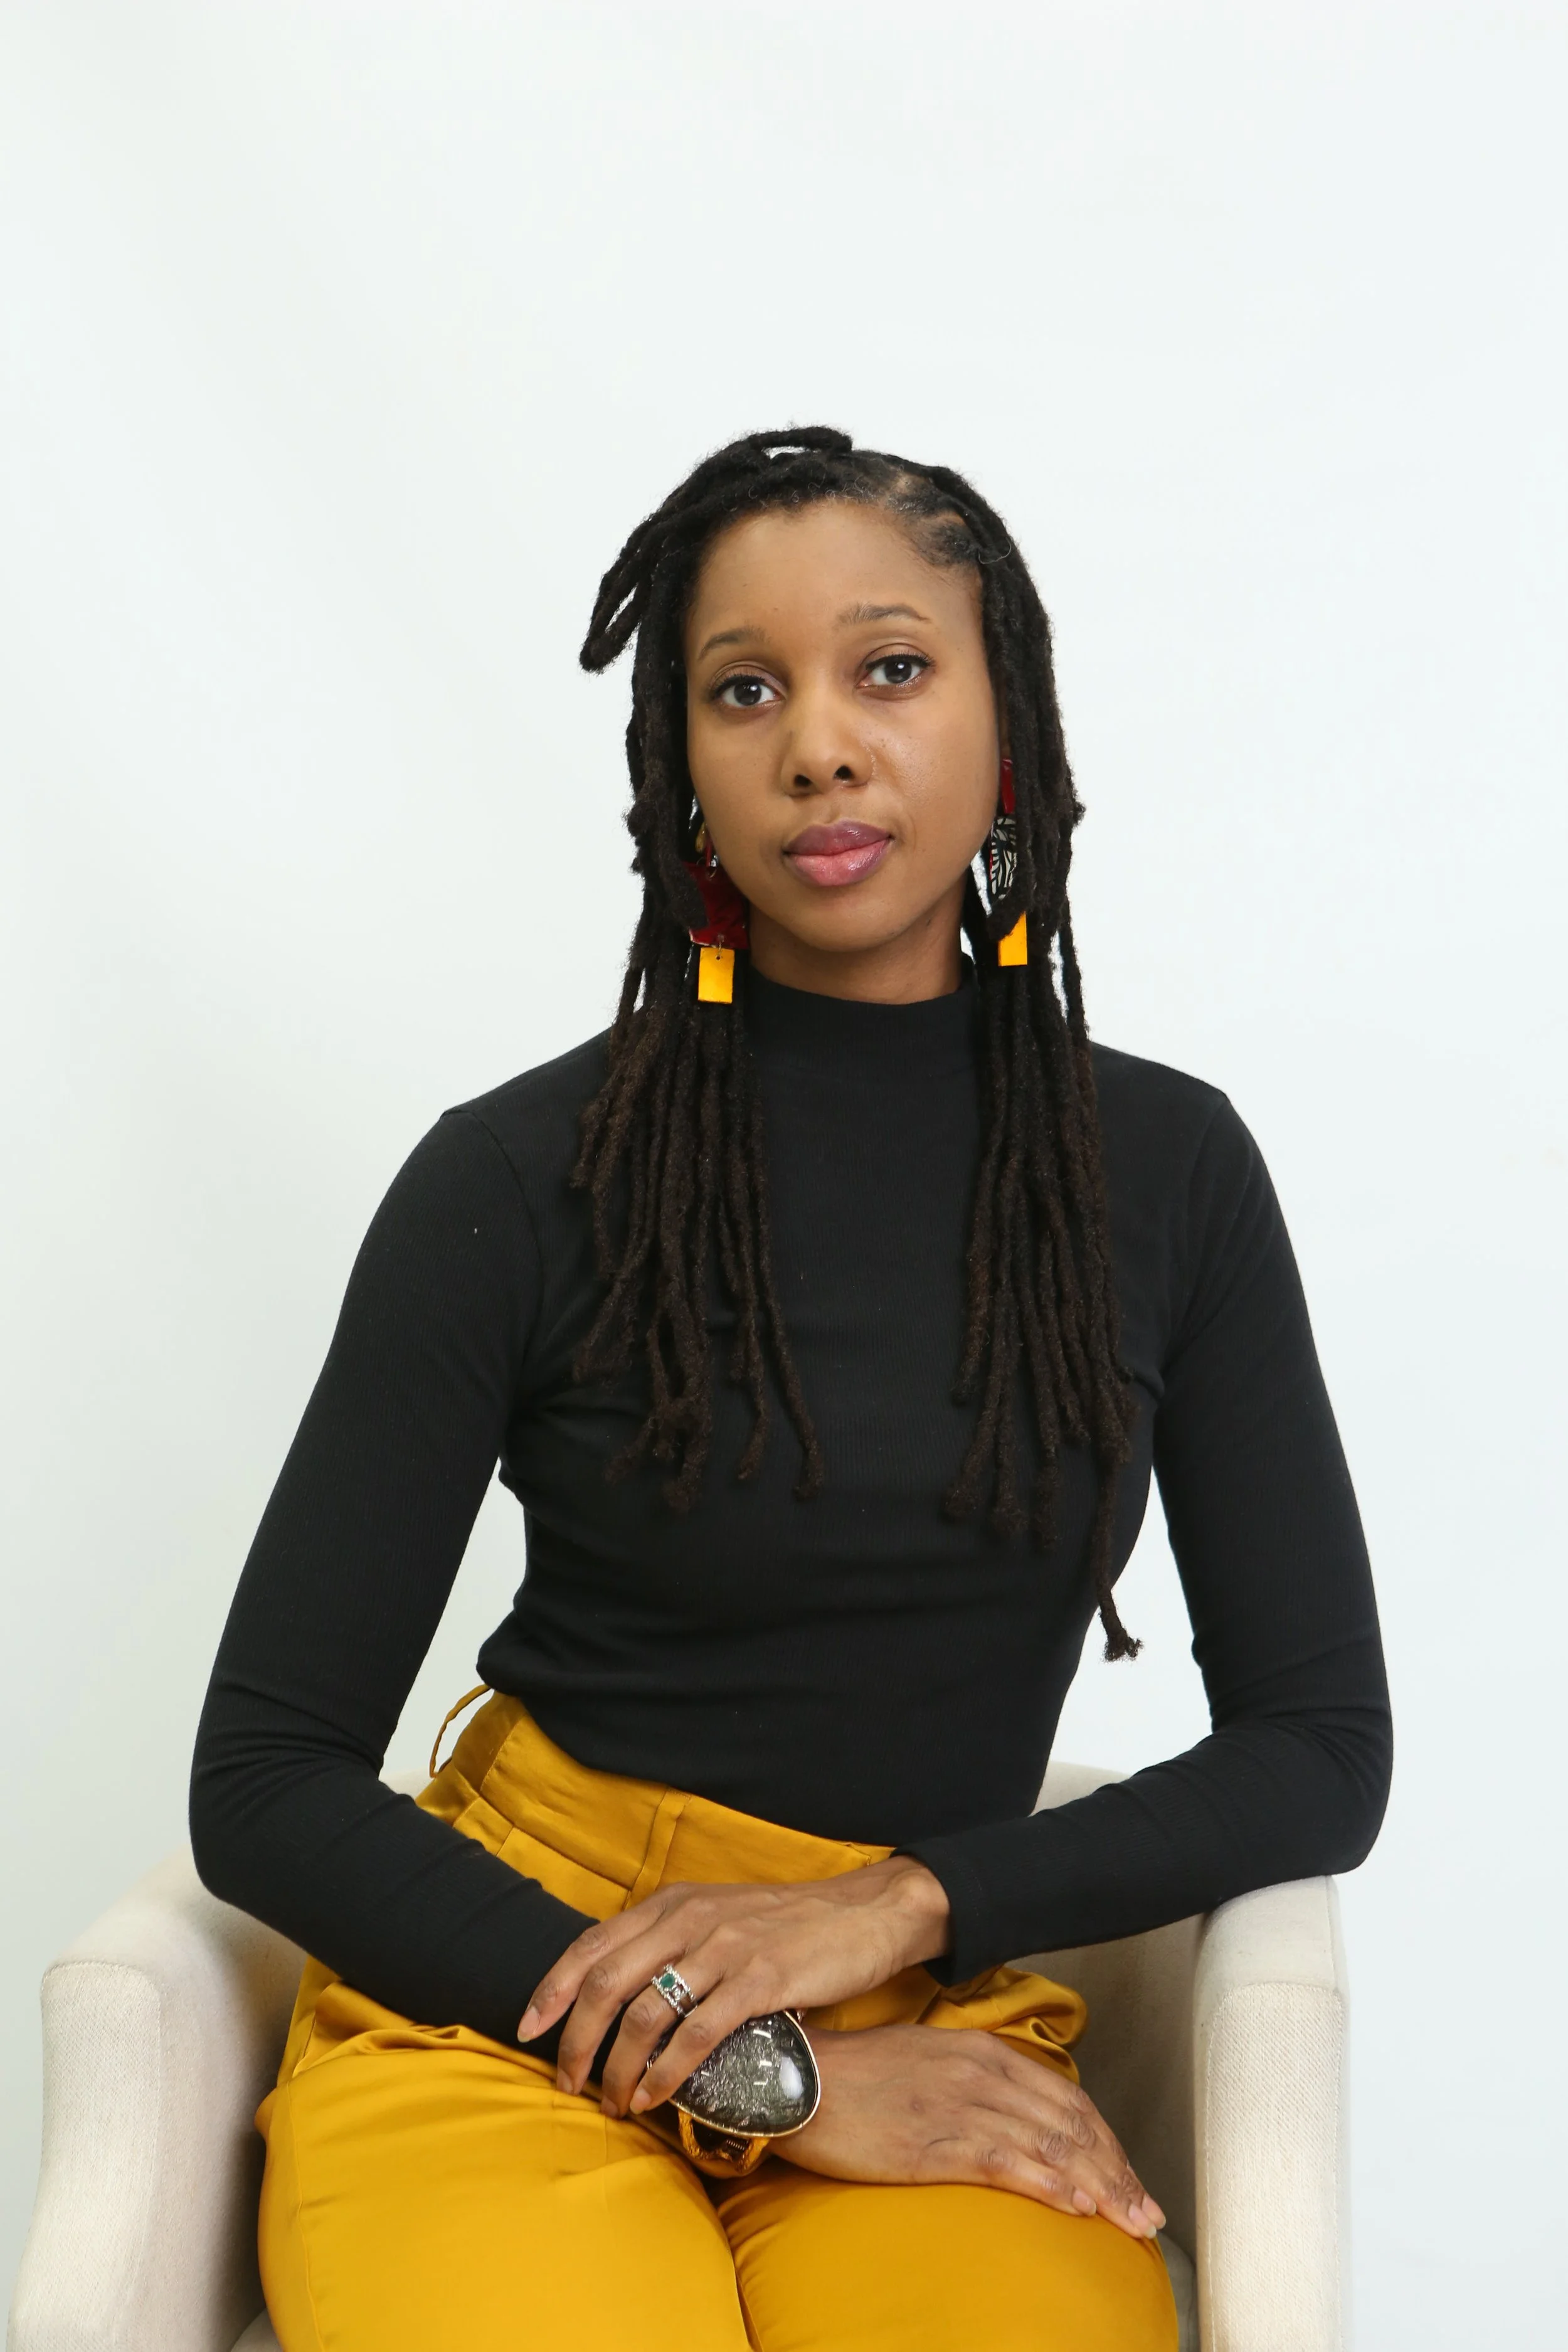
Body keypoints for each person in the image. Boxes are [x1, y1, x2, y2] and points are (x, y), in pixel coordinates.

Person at [190, 427, 1391, 2352]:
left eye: (889, 667)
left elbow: (1320, 1746)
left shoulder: (1164, 1172)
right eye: (742, 689)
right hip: (523, 1992)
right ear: (682, 769)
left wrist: (904, 1908)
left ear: (1013, 720)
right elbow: (260, 1776)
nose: (818, 744)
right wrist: (769, 2069)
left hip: (919, 2009)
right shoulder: (519, 1173)